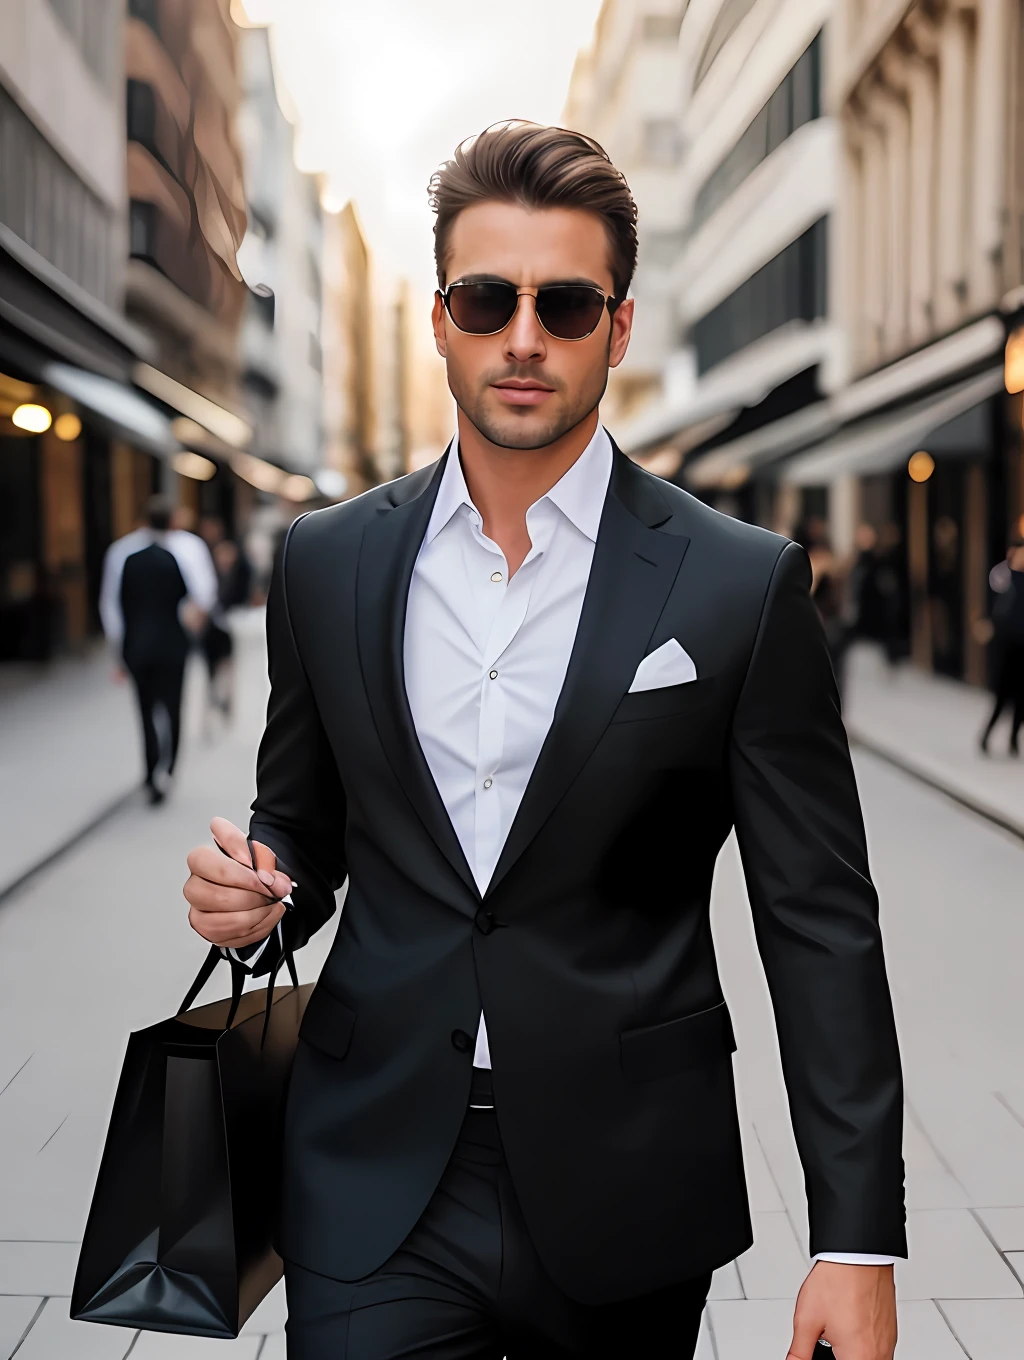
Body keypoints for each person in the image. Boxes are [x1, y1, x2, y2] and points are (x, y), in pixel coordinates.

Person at [183, 123, 905, 1360]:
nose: (524, 336)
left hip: (626, 1177)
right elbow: (301, 820)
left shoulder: (739, 587)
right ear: (440, 318)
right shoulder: (327, 561)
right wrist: (259, 887)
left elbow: (818, 919)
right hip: (372, 1170)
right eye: (487, 298)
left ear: (617, 328)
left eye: (565, 304)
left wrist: (855, 1240)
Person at [100, 495, 217, 803]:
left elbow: (113, 606)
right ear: (173, 520)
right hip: (173, 646)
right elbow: (201, 597)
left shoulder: (124, 553)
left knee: (145, 709)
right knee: (174, 708)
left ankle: (152, 769)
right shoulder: (186, 550)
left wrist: (119, 651)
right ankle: (167, 768)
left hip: (138, 647)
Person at [980, 539, 1024, 755]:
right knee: (1002, 697)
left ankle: (1014, 739)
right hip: (1007, 646)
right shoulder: (1003, 577)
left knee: (1021, 700)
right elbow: (994, 605)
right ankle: (986, 735)